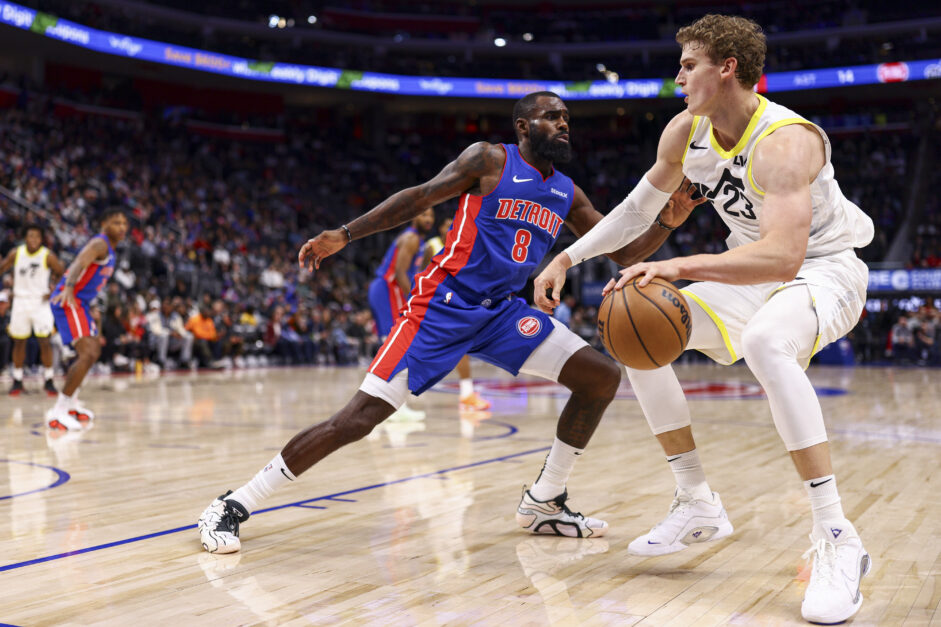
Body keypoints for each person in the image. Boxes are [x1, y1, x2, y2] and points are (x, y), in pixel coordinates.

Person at [198, 91, 702, 555]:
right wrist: (345, 235)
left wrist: (668, 221)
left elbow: (623, 252)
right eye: (553, 116)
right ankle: (233, 503)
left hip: (503, 311)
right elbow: (419, 197)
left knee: (600, 376)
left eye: (567, 117)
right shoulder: (490, 159)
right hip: (441, 306)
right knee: (358, 419)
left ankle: (544, 499)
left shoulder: (567, 193)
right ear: (524, 126)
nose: (564, 124)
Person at [533, 15, 874, 624]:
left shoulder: (785, 141)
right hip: (751, 271)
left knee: (769, 342)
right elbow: (639, 207)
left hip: (825, 270)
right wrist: (566, 255)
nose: (678, 75)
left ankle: (837, 537)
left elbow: (784, 255)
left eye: (689, 64)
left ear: (728, 68)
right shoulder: (684, 132)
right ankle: (696, 501)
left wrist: (680, 266)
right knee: (630, 324)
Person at [46, 208, 128, 430]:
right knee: (88, 353)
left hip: (81, 304)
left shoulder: (112, 250)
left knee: (94, 353)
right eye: (115, 222)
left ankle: (71, 404)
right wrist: (69, 289)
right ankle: (58, 412)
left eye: (124, 223)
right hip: (69, 301)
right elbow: (78, 264)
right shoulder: (99, 244)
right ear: (104, 224)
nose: (121, 227)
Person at [367, 208, 435, 419]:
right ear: (414, 216)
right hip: (389, 288)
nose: (428, 219)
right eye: (423, 214)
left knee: (393, 346)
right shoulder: (411, 238)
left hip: (389, 289)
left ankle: (384, 405)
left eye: (431, 216)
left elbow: (416, 272)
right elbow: (399, 273)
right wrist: (416, 298)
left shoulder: (422, 243)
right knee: (396, 347)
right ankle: (392, 409)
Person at [423, 216, 491, 412]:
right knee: (419, 349)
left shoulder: (464, 245)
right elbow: (421, 273)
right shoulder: (432, 245)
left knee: (460, 347)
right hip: (435, 302)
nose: (450, 227)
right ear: (440, 228)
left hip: (454, 303)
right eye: (446, 223)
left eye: (452, 224)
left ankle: (467, 394)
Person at [0, 224, 66, 396]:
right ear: (25, 238)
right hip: (20, 301)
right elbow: (2, 268)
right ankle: (17, 380)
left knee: (45, 342)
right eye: (31, 236)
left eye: (37, 236)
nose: (34, 239)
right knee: (19, 341)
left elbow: (62, 274)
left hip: (40, 303)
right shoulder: (16, 253)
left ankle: (49, 380)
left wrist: (53, 291)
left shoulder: (48, 256)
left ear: (41, 239)